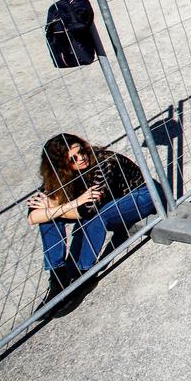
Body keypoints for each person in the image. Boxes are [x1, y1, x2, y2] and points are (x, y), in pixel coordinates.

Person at [26, 133, 156, 316]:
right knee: (48, 219)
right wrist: (71, 203)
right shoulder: (59, 177)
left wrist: (57, 206)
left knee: (95, 215)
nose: (81, 159)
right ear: (61, 166)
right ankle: (58, 278)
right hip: (106, 204)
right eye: (73, 159)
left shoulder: (104, 163)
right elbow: (32, 217)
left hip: (140, 196)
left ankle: (84, 275)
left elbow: (89, 211)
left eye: (81, 152)